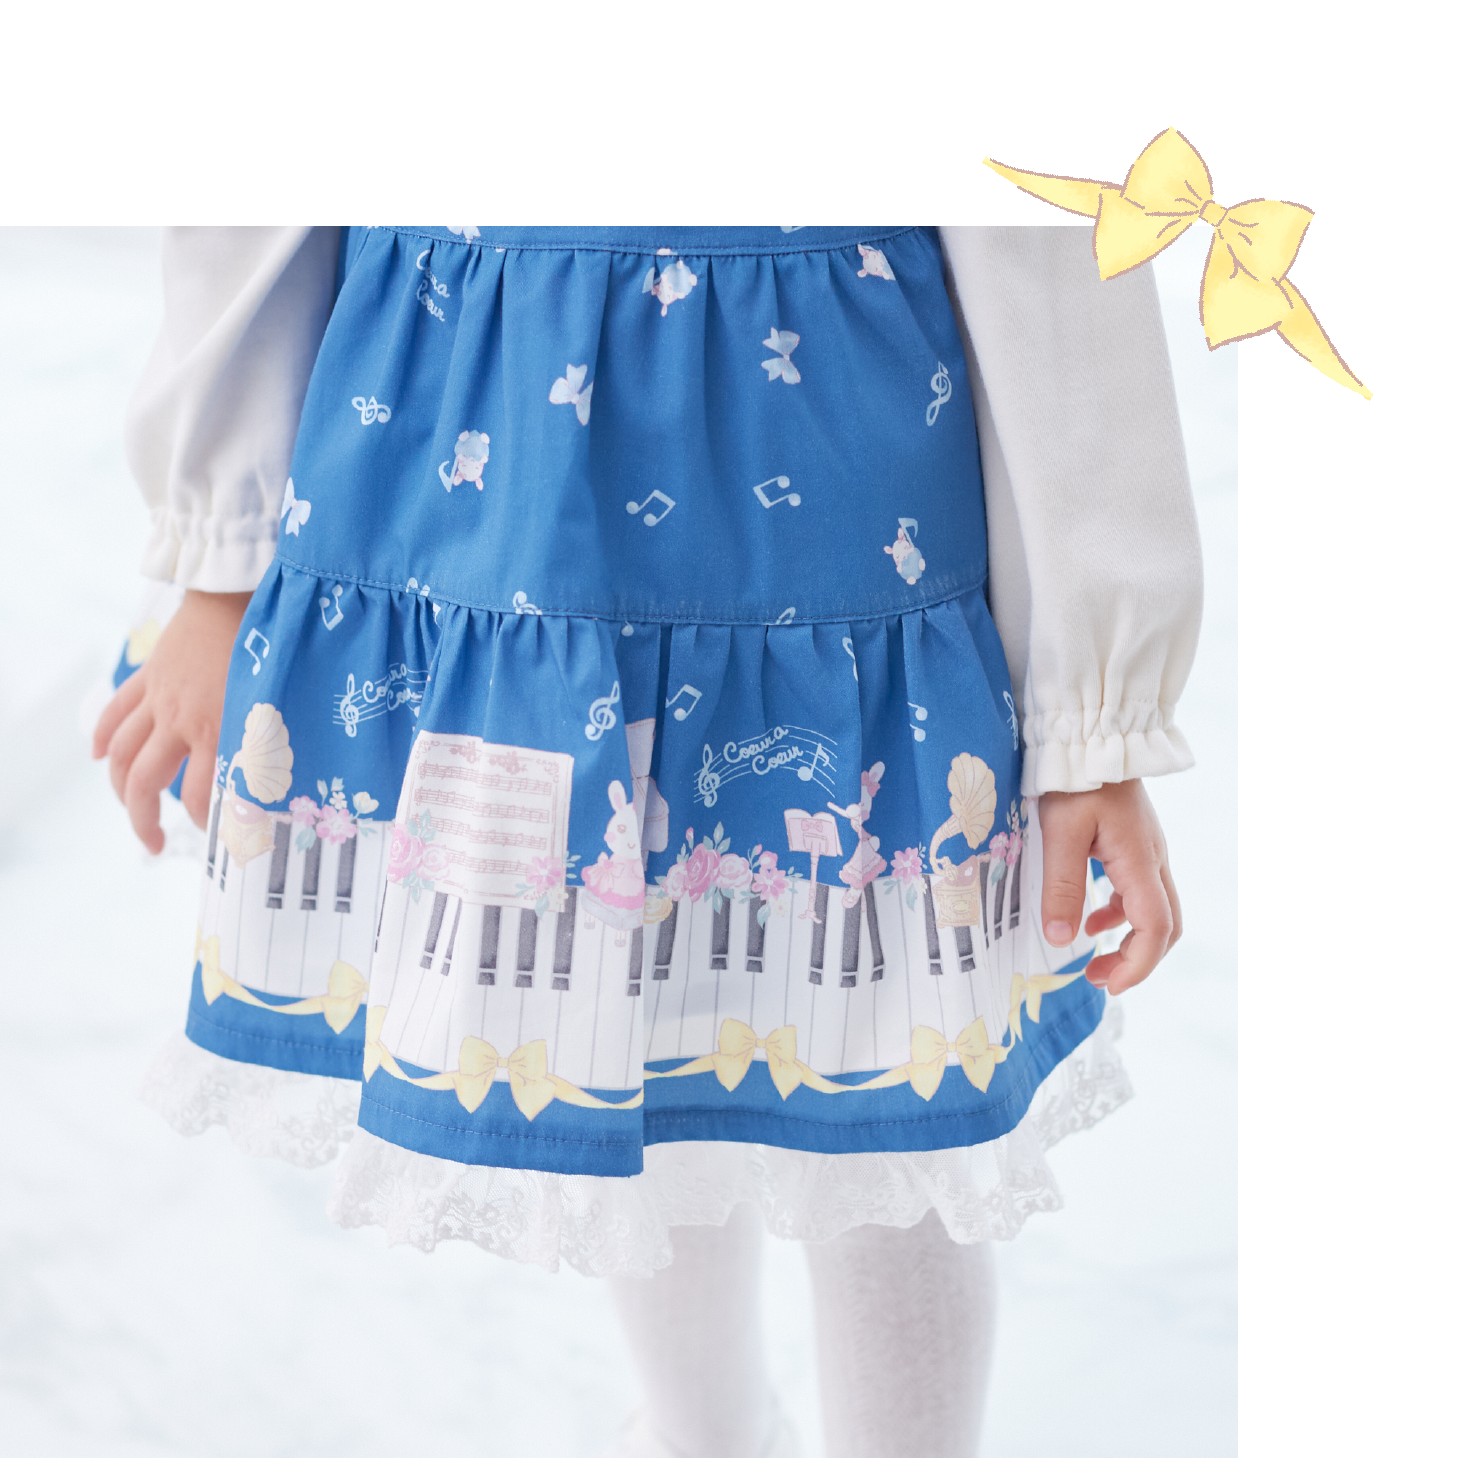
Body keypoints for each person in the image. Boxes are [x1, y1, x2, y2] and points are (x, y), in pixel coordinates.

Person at [94, 222, 1200, 1458]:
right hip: (487, 484)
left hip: (834, 498)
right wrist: (217, 561)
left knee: (888, 1109)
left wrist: (1096, 716)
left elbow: (1049, 230)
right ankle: (701, 1432)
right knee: (631, 1028)